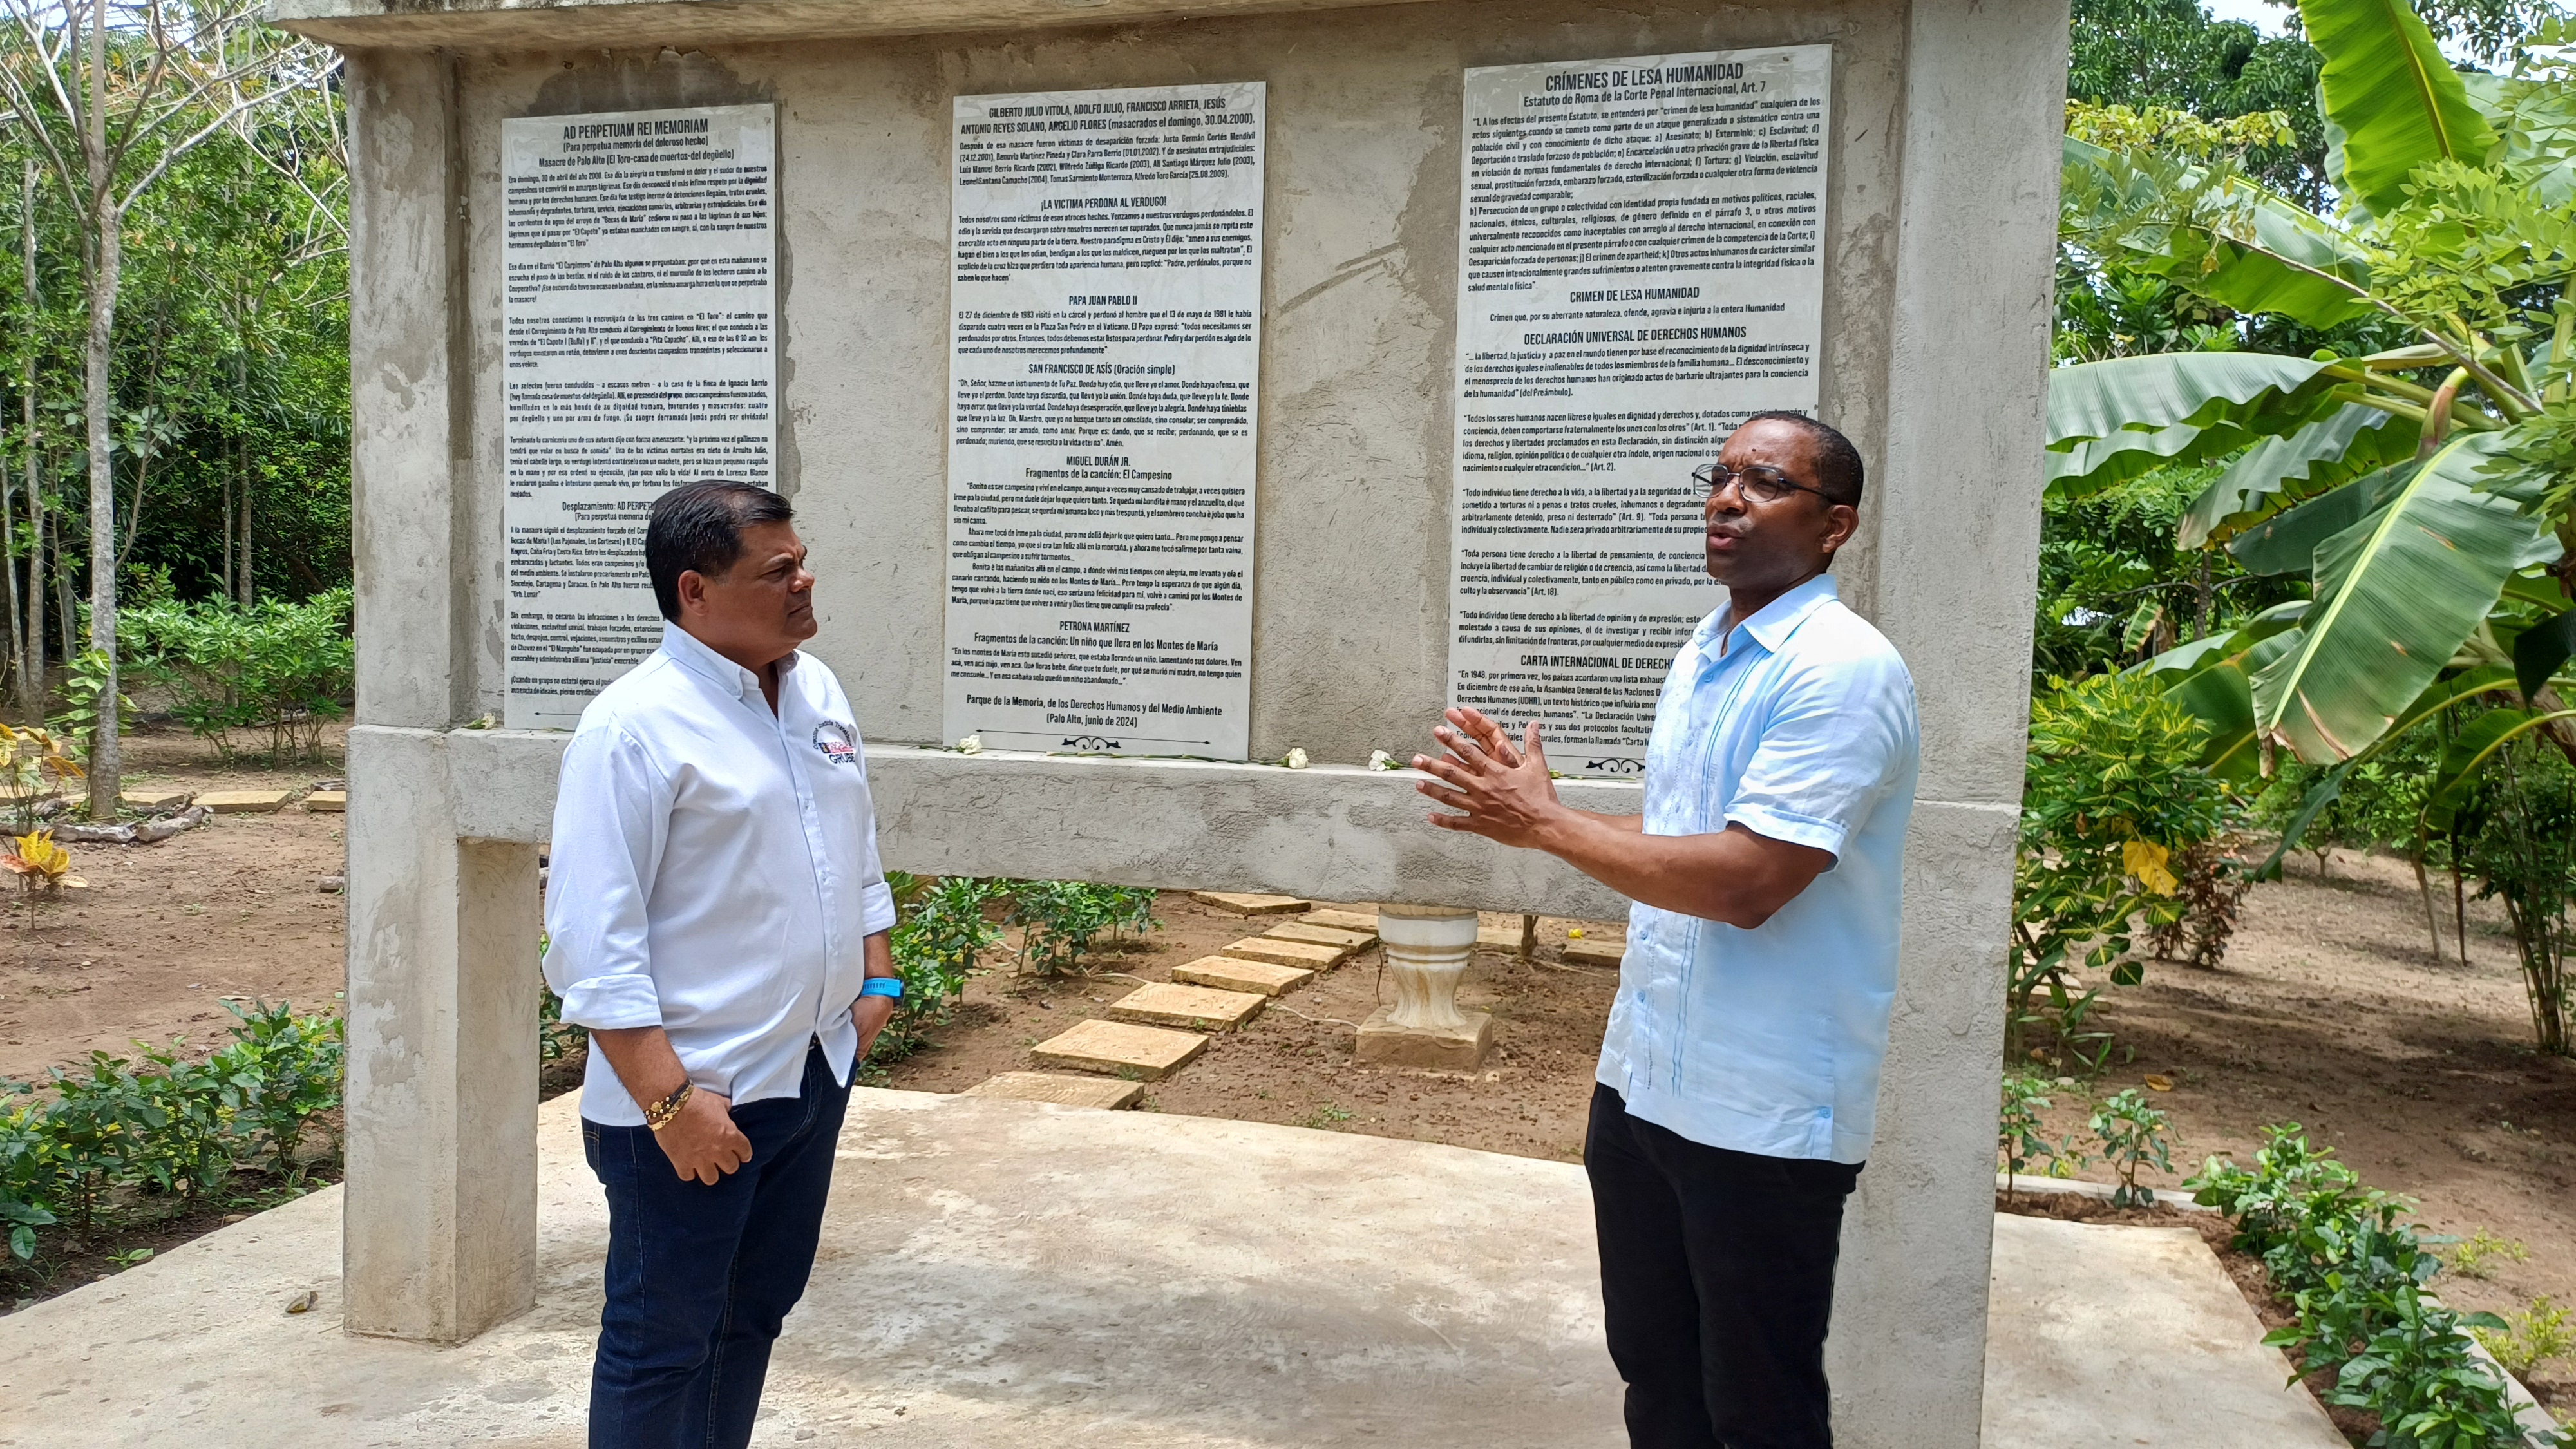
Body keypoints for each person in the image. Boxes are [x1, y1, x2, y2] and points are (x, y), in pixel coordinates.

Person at [1411, 412, 1919, 1449]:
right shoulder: (1707, 650)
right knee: (1658, 1380)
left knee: (1761, 1407)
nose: (1727, 498)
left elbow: (1751, 879)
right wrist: (1550, 814)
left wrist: (1545, 825)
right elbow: (1688, 835)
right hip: (1645, 1084)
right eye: (1720, 475)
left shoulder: (1842, 669)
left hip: (1760, 1108)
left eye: (1764, 482)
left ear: (1835, 526)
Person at [542, 478, 904, 1449]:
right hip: (698, 1099)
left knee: (751, 1317)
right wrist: (671, 1105)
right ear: (695, 590)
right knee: (661, 1344)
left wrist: (876, 979)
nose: (803, 583)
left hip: (812, 1072)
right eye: (777, 571)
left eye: (802, 562)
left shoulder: (816, 689)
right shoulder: (631, 729)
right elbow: (591, 943)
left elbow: (854, 846)